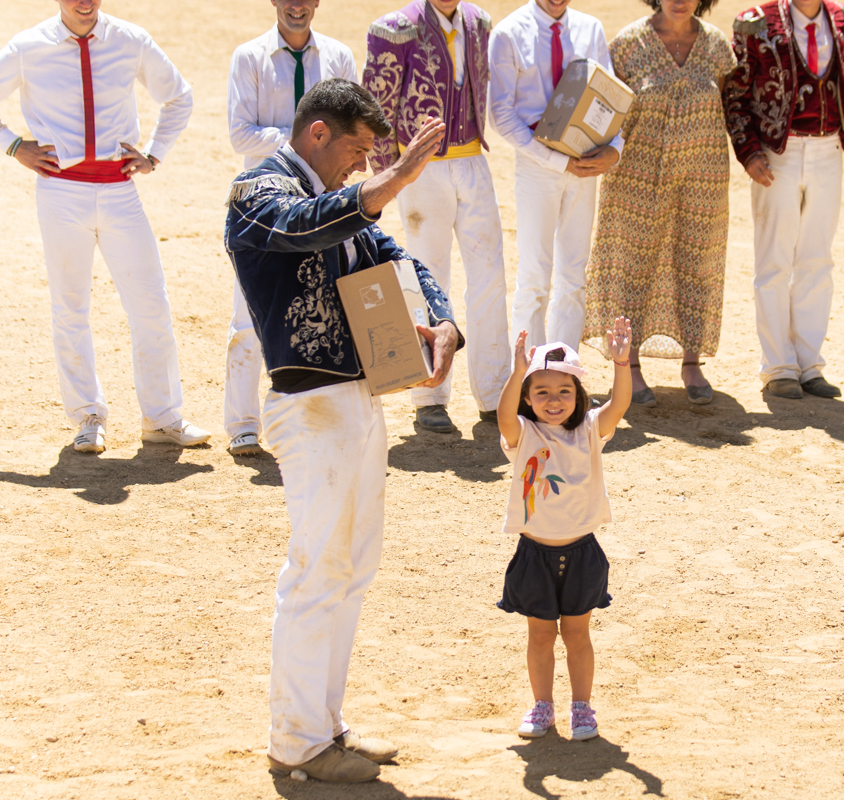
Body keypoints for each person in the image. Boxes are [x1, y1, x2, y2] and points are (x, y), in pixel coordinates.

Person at [224, 79, 462, 783]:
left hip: (358, 397)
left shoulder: (342, 202)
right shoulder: (257, 191)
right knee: (317, 572)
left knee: (351, 569)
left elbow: (402, 260)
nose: (362, 165)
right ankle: (296, 742)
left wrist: (445, 319)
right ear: (318, 133)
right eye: (357, 149)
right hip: (311, 405)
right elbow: (308, 225)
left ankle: (323, 725)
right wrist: (393, 178)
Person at [0, 0, 208, 452]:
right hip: (61, 192)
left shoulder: (130, 39)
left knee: (151, 303)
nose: (84, 2)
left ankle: (162, 417)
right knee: (71, 306)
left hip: (120, 190)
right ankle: (88, 415)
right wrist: (13, 146)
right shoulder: (30, 46)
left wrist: (155, 151)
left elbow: (178, 96)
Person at [365, 0, 511, 434]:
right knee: (427, 275)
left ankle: (494, 393)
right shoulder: (393, 28)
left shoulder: (480, 21)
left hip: (472, 163)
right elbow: (377, 105)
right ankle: (427, 396)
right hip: (422, 167)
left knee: (490, 276)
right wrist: (391, 175)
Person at [584, 0, 734, 407]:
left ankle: (692, 361)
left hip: (703, 174)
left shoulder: (717, 45)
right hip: (637, 173)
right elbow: (603, 108)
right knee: (633, 265)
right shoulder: (628, 44)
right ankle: (628, 365)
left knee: (696, 262)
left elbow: (727, 103)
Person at [225, 0, 358, 456]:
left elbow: (351, 127)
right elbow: (240, 133)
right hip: (268, 199)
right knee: (251, 307)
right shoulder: (249, 56)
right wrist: (309, 140)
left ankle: (317, 415)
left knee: (325, 302)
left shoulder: (338, 57)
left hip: (322, 196)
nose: (296, 6)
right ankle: (243, 423)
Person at [724, 0, 844, 401]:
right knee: (774, 260)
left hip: (826, 152)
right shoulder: (755, 23)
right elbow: (735, 94)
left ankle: (808, 363)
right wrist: (750, 152)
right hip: (778, 154)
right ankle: (778, 366)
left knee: (817, 259)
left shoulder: (841, 18)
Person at [495, 319, 632, 741]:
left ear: (578, 394)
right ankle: (542, 707)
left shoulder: (591, 429)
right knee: (539, 635)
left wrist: (621, 363)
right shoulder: (523, 434)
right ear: (527, 397)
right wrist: (516, 372)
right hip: (534, 554)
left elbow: (619, 406)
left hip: (582, 554)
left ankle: (582, 709)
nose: (554, 400)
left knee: (577, 634)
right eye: (542, 391)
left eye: (564, 391)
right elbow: (503, 416)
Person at [489, 0, 623, 354]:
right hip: (537, 166)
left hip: (585, 161)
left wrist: (616, 148)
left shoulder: (590, 28)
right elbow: (501, 114)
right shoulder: (508, 33)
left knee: (574, 275)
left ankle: (565, 371)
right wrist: (552, 160)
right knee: (534, 274)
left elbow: (609, 97)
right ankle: (531, 373)